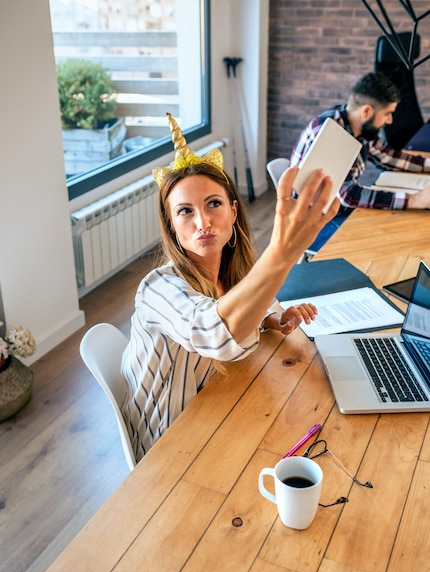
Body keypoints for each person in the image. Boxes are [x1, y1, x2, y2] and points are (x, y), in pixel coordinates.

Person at [121, 112, 339, 461]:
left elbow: (243, 297)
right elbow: (214, 331)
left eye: (214, 204)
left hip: (215, 411)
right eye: (185, 212)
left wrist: (272, 318)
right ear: (171, 226)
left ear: (234, 212)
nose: (203, 222)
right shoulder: (157, 289)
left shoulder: (231, 273)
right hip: (167, 446)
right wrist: (282, 253)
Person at [290, 72, 430, 213]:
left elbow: (389, 157)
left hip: (334, 209)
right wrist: (415, 200)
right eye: (387, 113)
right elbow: (348, 195)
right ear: (367, 111)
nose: (390, 120)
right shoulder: (331, 132)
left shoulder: (359, 127)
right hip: (312, 218)